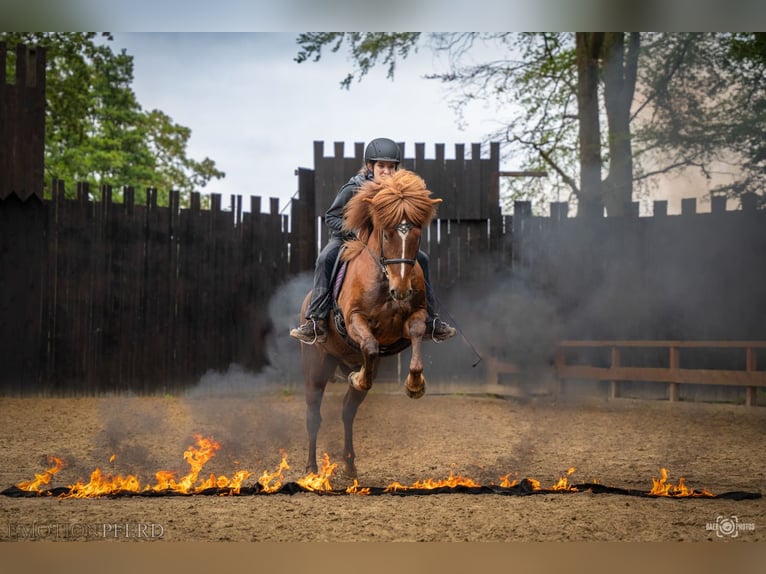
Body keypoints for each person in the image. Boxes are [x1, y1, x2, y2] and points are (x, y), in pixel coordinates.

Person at [290, 137, 456, 345]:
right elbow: (331, 216)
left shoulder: (398, 192)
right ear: (370, 166)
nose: (386, 171)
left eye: (390, 167)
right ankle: (316, 321)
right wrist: (355, 232)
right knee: (325, 258)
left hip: (385, 244)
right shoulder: (355, 186)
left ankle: (431, 320)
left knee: (422, 258)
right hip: (348, 239)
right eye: (381, 166)